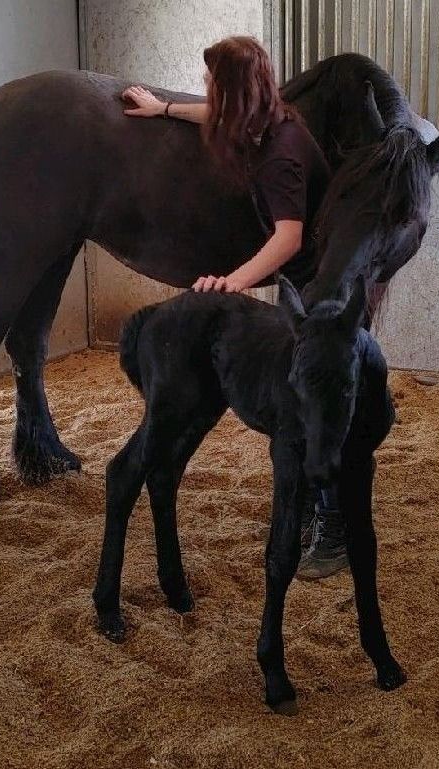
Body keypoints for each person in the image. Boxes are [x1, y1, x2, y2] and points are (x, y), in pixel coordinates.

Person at [121, 36, 348, 579]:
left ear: (233, 91)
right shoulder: (263, 116)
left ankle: (334, 529)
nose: (206, 93)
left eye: (212, 84)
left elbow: (289, 238)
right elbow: (216, 115)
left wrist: (232, 282)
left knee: (315, 402)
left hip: (318, 278)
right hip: (302, 273)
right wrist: (164, 109)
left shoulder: (282, 154)